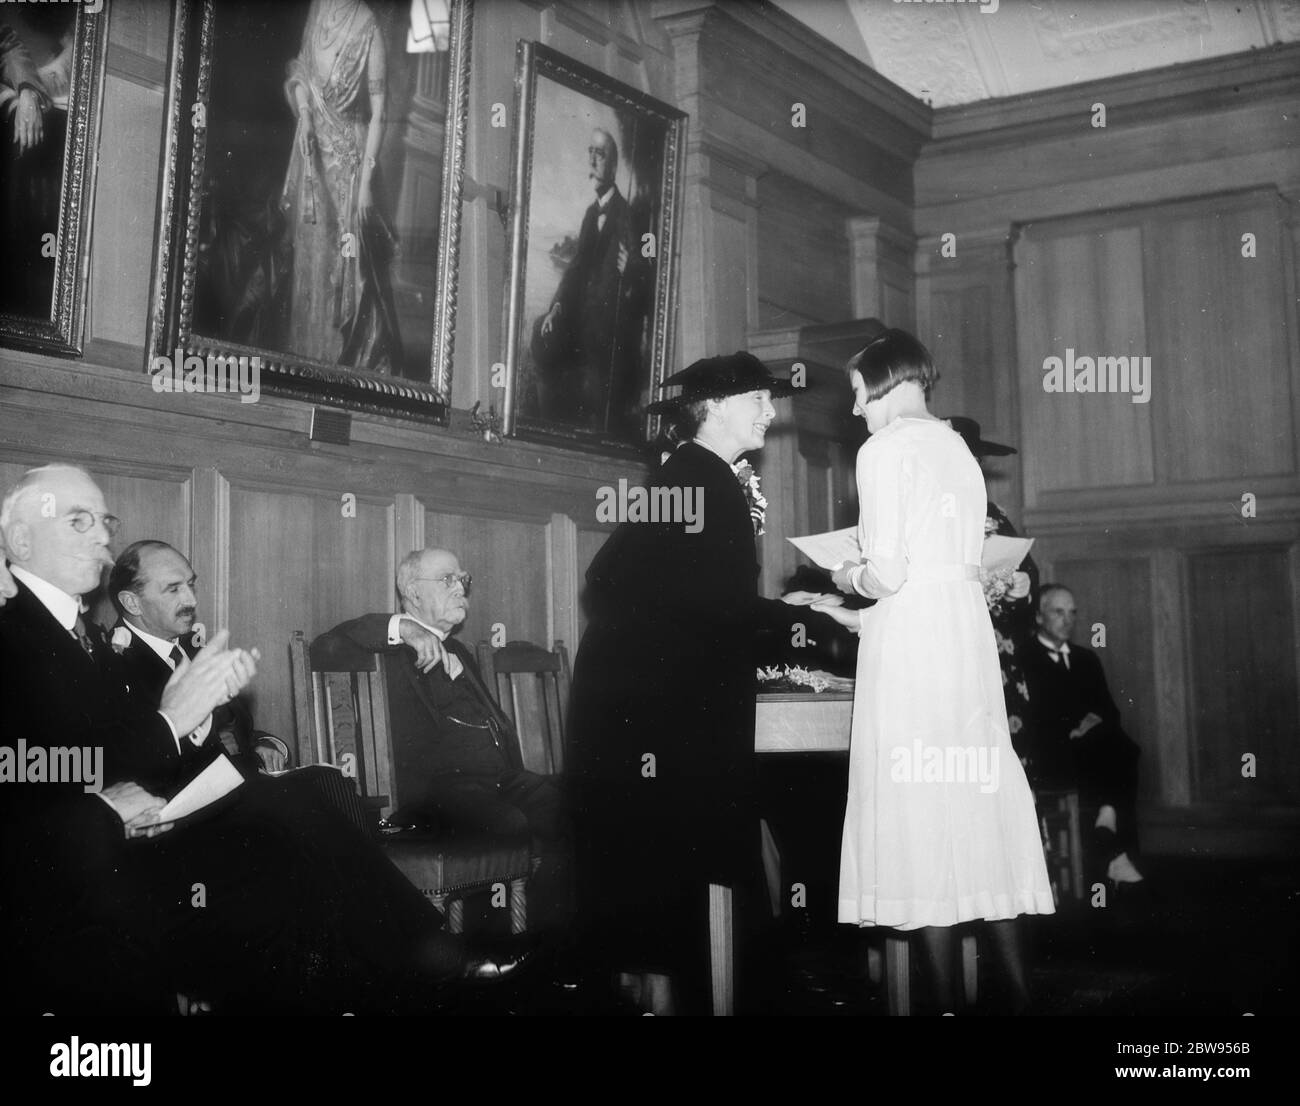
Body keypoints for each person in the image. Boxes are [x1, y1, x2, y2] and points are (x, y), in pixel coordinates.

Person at [0, 465, 520, 1013]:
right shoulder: (20, 633)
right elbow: (30, 774)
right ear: (20, 540)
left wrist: (175, 735)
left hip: (129, 838)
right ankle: (424, 962)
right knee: (285, 835)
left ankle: (411, 969)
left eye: (103, 521)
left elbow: (92, 750)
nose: (102, 536)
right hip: (73, 878)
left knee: (294, 833)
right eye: (78, 521)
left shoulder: (77, 635)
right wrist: (155, 745)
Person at [568, 351, 835, 1014]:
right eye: (758, 401)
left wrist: (777, 614)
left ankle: (674, 991)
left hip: (640, 712)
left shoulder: (691, 475)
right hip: (658, 718)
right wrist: (799, 615)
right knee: (689, 855)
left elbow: (633, 588)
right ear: (715, 407)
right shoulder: (704, 481)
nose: (770, 415)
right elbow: (713, 607)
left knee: (664, 866)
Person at [812, 330, 1054, 1014]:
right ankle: (1019, 997)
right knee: (973, 811)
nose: (856, 410)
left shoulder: (884, 449)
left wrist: (843, 572)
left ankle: (943, 1004)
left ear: (886, 383)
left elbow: (886, 574)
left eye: (858, 393)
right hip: (962, 642)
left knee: (917, 813)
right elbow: (954, 567)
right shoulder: (955, 448)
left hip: (913, 649)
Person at [316, 547, 570, 932]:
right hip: (436, 794)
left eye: (462, 579)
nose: (460, 588)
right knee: (514, 824)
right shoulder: (390, 651)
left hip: (500, 782)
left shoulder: (460, 652)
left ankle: (556, 945)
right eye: (447, 580)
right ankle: (501, 947)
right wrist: (404, 628)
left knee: (577, 814)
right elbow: (326, 645)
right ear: (413, 593)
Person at [278, 0, 403, 372]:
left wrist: (366, 183)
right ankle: (304, 358)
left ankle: (333, 367)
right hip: (313, 153)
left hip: (348, 161)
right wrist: (303, 114)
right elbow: (300, 71)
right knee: (310, 262)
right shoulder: (318, 8)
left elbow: (380, 112)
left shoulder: (369, 27)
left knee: (342, 264)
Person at [108, 539, 286, 785]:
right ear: (132, 602)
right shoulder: (111, 666)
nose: (191, 599)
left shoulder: (192, 648)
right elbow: (144, 762)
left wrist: (262, 744)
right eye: (173, 589)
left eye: (191, 584)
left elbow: (228, 731)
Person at [1019, 584, 1145, 891]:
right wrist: (1071, 729)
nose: (1067, 620)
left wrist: (1087, 726)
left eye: (1072, 613)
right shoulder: (1023, 658)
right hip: (1050, 752)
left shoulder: (1086, 659)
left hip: (1090, 749)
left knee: (1120, 743)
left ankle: (1108, 828)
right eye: (1058, 612)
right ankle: (1112, 835)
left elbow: (1109, 711)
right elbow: (1028, 718)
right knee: (1121, 749)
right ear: (1039, 616)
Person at [531, 127, 650, 436]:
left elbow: (642, 268)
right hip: (579, 319)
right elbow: (575, 269)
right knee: (540, 332)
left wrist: (631, 268)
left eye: (602, 155)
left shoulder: (628, 216)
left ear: (613, 167)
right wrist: (556, 307)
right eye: (591, 153)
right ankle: (549, 427)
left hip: (608, 326)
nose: (594, 160)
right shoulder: (588, 214)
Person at [945, 416, 1037, 762]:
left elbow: (1025, 568)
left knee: (1001, 749)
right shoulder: (920, 512)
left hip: (996, 649)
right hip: (946, 645)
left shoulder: (992, 513)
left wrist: (1022, 588)